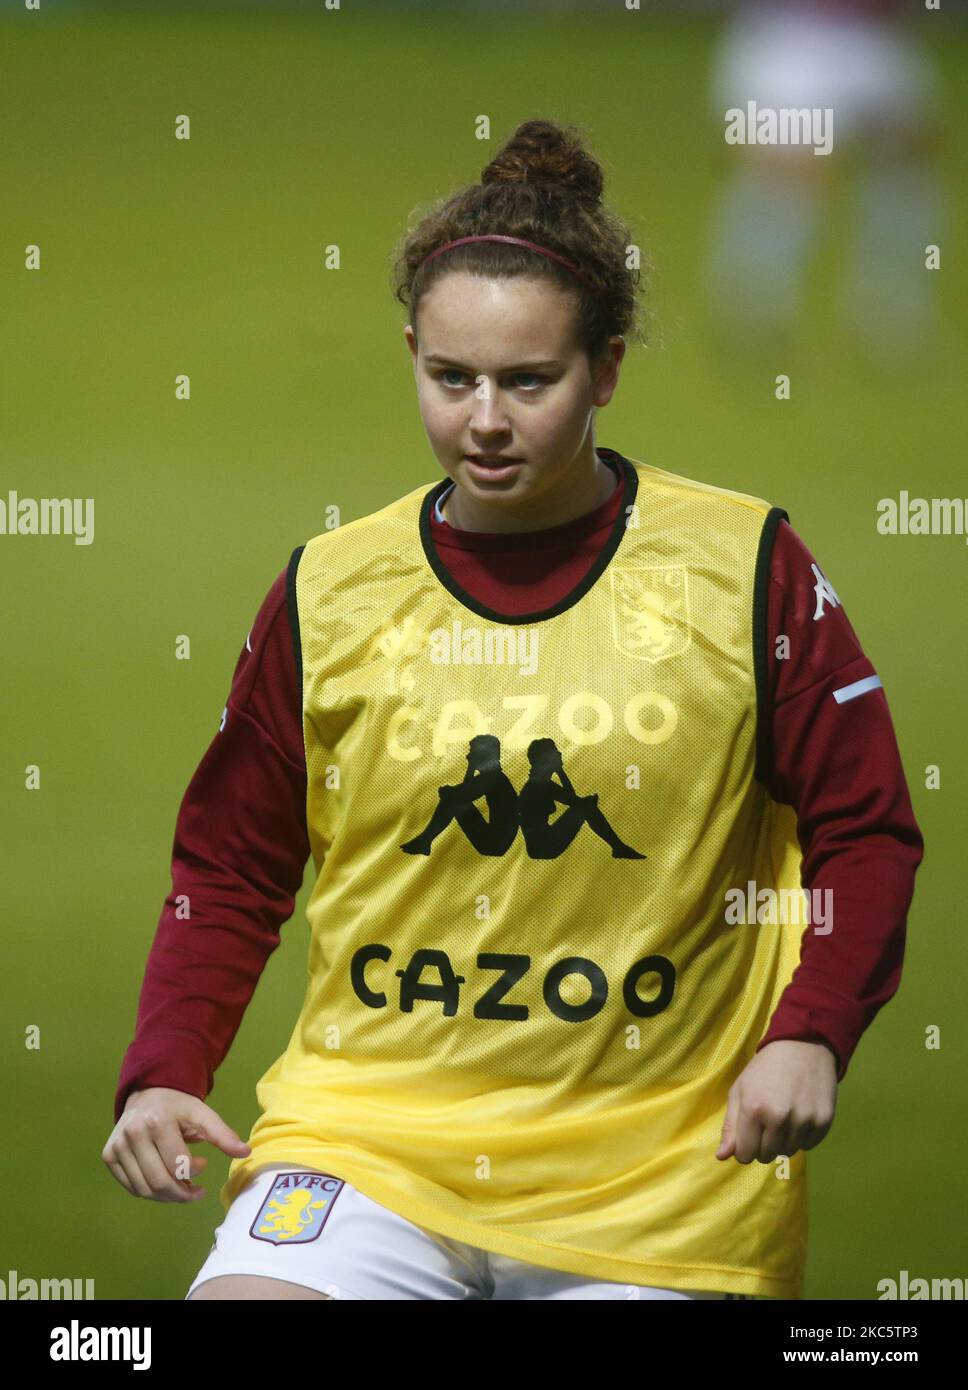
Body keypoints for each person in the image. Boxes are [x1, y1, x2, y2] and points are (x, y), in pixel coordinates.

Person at [103, 118, 924, 1301]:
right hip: (367, 1140)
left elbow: (865, 826)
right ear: (411, 354)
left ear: (606, 368)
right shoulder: (331, 585)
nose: (483, 420)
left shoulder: (744, 566)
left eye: (528, 381)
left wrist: (809, 1027)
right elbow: (232, 861)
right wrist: (165, 1064)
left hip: (664, 1174)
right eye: (451, 378)